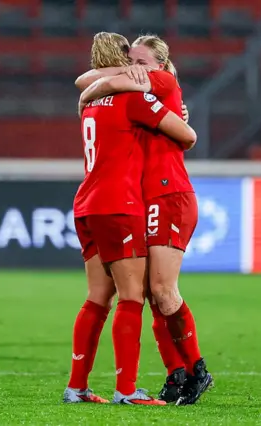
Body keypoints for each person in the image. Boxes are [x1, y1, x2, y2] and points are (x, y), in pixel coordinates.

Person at [76, 34, 212, 405]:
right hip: (143, 198)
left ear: (161, 65)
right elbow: (90, 79)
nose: (134, 68)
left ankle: (197, 369)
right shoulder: (137, 96)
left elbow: (189, 136)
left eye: (141, 62)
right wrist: (107, 83)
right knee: (152, 293)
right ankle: (175, 374)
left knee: (162, 291)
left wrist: (93, 91)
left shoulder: (162, 81)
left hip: (168, 195)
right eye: (130, 61)